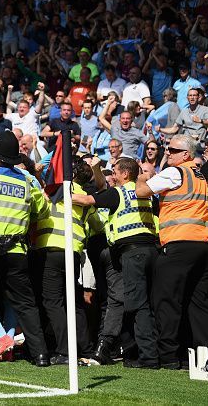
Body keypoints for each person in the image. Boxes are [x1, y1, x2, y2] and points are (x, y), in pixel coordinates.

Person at [0, 130, 51, 366]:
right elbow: (42, 211)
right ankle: (41, 355)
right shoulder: (27, 181)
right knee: (25, 304)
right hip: (16, 251)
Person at [135, 134, 208, 369]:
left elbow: (142, 191)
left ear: (186, 155)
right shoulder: (199, 174)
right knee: (200, 303)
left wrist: (143, 176)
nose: (167, 152)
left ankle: (169, 357)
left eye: (172, 149)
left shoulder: (175, 172)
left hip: (179, 243)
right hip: (204, 245)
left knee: (166, 300)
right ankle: (206, 356)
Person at [74, 158, 159, 368]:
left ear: (125, 174)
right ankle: (138, 351)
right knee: (145, 302)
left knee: (131, 303)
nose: (113, 175)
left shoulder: (118, 193)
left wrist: (60, 193)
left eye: (115, 172)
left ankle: (143, 355)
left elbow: (85, 200)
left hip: (130, 252)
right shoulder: (148, 194)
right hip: (151, 250)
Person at [32, 158, 94, 364]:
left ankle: (65, 351)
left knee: (53, 302)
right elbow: (98, 225)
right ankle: (85, 348)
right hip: (74, 251)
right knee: (73, 302)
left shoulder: (55, 189)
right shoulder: (85, 195)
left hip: (52, 248)